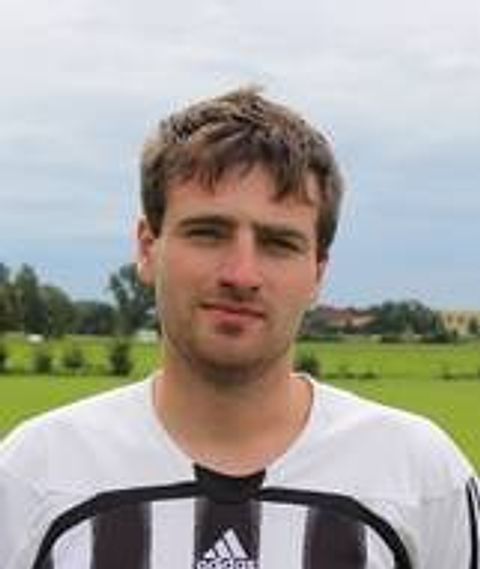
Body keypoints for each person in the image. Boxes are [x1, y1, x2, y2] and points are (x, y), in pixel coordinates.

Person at [0, 87, 478, 569]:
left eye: (279, 243)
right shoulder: (33, 476)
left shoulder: (422, 479)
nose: (242, 275)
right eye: (208, 233)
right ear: (147, 248)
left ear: (318, 271)